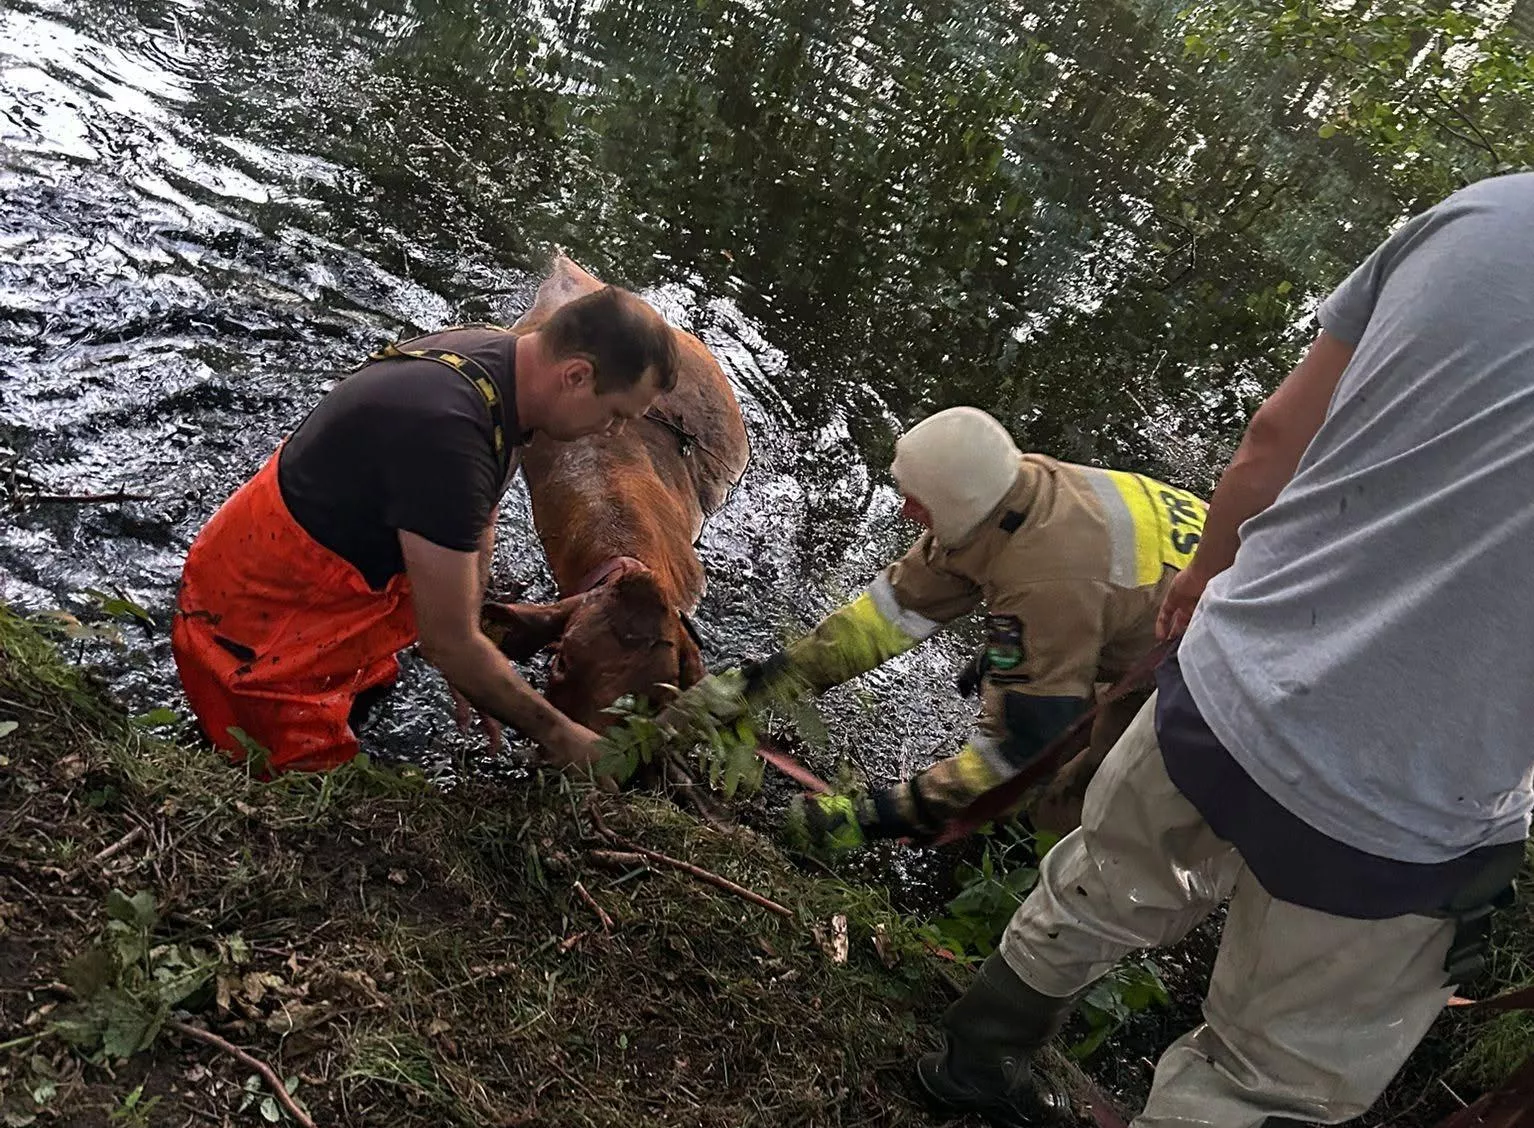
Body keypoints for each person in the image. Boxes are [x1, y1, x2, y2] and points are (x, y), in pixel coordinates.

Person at [914, 173, 1534, 1128]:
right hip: (1407, 808)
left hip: (1225, 680)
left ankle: (973, 1058)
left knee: (1100, 877)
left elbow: (1273, 437)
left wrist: (1201, 579)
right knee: (1269, 1076)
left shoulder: (1485, 212)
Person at [172, 286, 677, 775]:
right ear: (577, 374)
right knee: (314, 796)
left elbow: (478, 514)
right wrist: (561, 736)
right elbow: (446, 644)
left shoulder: (500, 363)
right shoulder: (448, 437)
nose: (614, 433)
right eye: (615, 415)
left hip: (307, 576)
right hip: (252, 631)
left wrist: (473, 634)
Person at [685, 405, 1206, 847]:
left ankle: (1037, 901)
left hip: (1205, 667)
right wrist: (758, 685)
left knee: (1087, 795)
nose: (907, 511)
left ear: (961, 507)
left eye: (918, 501)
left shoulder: (1043, 580)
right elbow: (881, 621)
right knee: (1053, 728)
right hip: (1144, 601)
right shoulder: (1006, 494)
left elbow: (1017, 746)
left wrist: (881, 815)